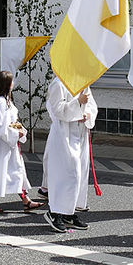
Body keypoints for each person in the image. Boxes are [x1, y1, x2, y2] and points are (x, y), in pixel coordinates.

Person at [42, 77, 97, 231]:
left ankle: (69, 212)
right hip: (63, 134)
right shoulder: (58, 84)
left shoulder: (82, 82)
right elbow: (57, 110)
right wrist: (77, 102)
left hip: (80, 133)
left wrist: (88, 114)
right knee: (65, 174)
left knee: (79, 174)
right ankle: (55, 212)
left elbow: (92, 106)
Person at [0, 70, 38, 213]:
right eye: (11, 81)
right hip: (0, 145)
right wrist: (16, 133)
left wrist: (20, 130)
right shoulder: (0, 103)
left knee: (15, 172)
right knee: (2, 172)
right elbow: (1, 128)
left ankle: (26, 200)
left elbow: (12, 122)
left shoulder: (6, 101)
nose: (13, 84)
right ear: (6, 84)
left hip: (8, 144)